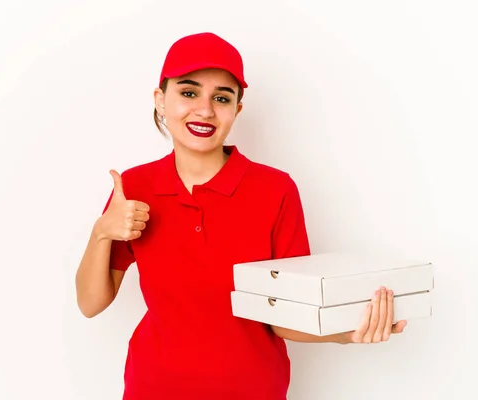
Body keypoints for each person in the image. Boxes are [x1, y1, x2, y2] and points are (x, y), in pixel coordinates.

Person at [75, 32, 407, 400]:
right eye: (188, 93)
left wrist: (347, 332)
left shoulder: (274, 190)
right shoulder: (134, 187)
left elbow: (285, 320)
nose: (204, 110)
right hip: (154, 389)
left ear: (237, 110)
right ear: (160, 99)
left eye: (222, 98)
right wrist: (101, 233)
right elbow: (91, 303)